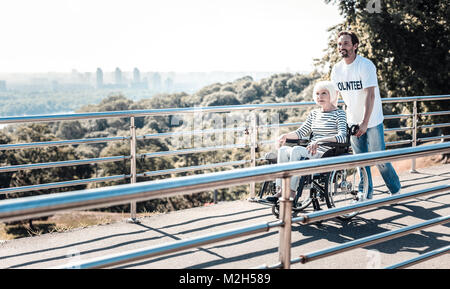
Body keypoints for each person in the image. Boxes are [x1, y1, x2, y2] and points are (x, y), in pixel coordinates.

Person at [330, 30, 401, 200]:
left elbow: (371, 95)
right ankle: (366, 192)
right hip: (352, 120)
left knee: (378, 158)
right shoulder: (337, 69)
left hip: (372, 120)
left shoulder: (365, 65)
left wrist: (365, 122)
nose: (342, 47)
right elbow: (335, 97)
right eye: (340, 44)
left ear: (355, 46)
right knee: (360, 160)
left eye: (346, 43)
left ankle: (395, 189)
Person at [266, 80, 347, 203]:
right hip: (310, 150)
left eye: (324, 93)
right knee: (283, 150)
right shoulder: (314, 114)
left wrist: (319, 141)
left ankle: (292, 192)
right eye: (318, 93)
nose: (320, 97)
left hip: (325, 153)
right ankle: (281, 189)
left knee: (297, 150)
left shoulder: (339, 114)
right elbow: (300, 132)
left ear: (332, 94)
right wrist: (284, 135)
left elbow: (342, 137)